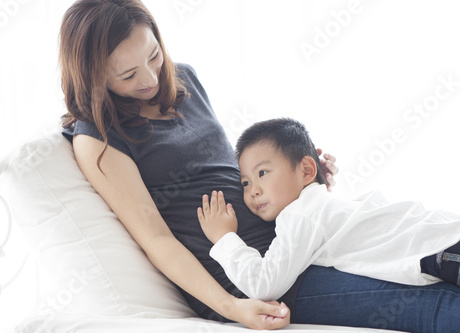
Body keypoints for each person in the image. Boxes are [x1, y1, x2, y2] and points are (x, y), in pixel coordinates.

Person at [59, 1, 460, 332]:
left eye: (153, 56)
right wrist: (232, 307)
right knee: (437, 303)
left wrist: (299, 181)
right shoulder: (98, 136)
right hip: (247, 276)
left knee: (430, 253)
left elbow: (225, 169)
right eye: (128, 75)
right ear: (93, 75)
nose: (149, 77)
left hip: (295, 241)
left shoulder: (184, 80)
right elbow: (156, 238)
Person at [197, 117, 460, 303]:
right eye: (245, 182)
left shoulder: (300, 215)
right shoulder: (320, 205)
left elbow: (263, 284)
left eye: (262, 173)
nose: (252, 190)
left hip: (441, 251)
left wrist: (224, 238)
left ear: (307, 170)